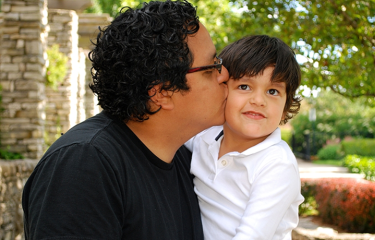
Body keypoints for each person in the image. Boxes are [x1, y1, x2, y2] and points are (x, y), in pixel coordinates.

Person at [22, 1, 228, 239]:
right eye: (212, 66)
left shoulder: (185, 158)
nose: (224, 75)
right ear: (162, 92)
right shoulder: (84, 165)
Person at [185, 35, 305, 239]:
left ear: (285, 109)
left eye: (273, 91)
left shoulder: (277, 164)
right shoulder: (204, 137)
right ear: (222, 90)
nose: (258, 100)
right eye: (244, 87)